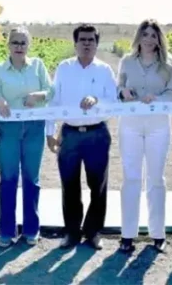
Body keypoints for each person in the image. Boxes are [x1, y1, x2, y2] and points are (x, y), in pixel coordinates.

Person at [45, 24, 117, 250]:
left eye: (91, 40)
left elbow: (114, 103)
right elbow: (54, 102)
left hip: (97, 134)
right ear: (75, 43)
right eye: (82, 40)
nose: (87, 44)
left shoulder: (105, 70)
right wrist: (50, 131)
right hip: (70, 135)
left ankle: (93, 232)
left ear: (97, 44)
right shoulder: (64, 69)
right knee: (69, 185)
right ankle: (71, 232)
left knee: (98, 185)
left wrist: (97, 100)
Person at [117, 19, 172, 254]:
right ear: (139, 37)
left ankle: (157, 234)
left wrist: (158, 99)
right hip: (130, 125)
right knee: (131, 178)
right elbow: (117, 90)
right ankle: (127, 235)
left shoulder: (169, 64)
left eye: (154, 35)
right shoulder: (126, 61)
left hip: (158, 126)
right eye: (145, 34)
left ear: (159, 39)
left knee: (156, 178)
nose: (149, 39)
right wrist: (122, 92)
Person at [0, 26, 52, 248]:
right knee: (8, 178)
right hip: (7, 129)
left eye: (23, 43)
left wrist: (37, 95)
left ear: (29, 45)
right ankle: (6, 231)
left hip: (34, 127)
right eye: (15, 42)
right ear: (8, 45)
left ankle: (31, 229)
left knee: (31, 179)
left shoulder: (38, 66)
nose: (19, 47)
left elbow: (50, 91)